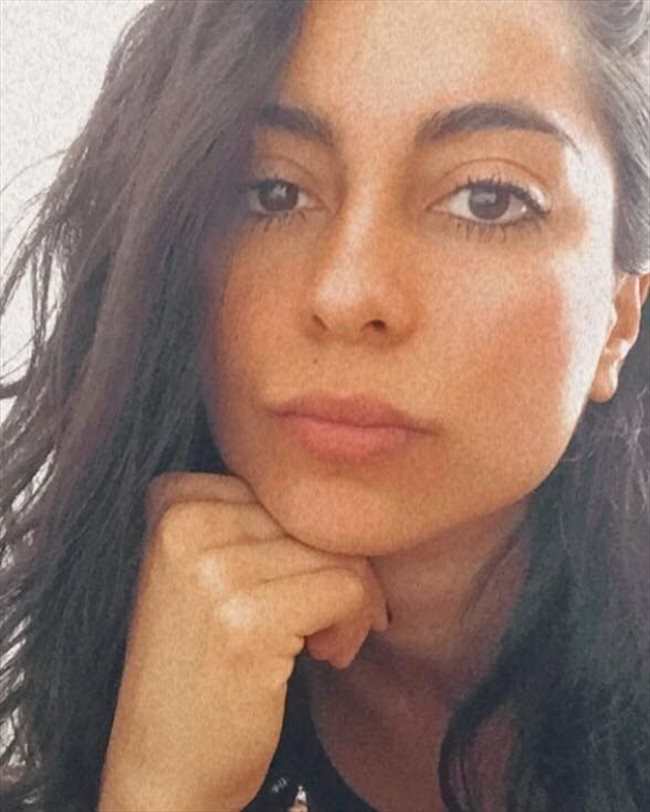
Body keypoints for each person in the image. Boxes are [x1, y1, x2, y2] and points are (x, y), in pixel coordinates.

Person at [1, 0, 648, 810]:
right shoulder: (106, 644)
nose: (345, 293)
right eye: (272, 192)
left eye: (487, 199)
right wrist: (156, 794)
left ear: (620, 316)